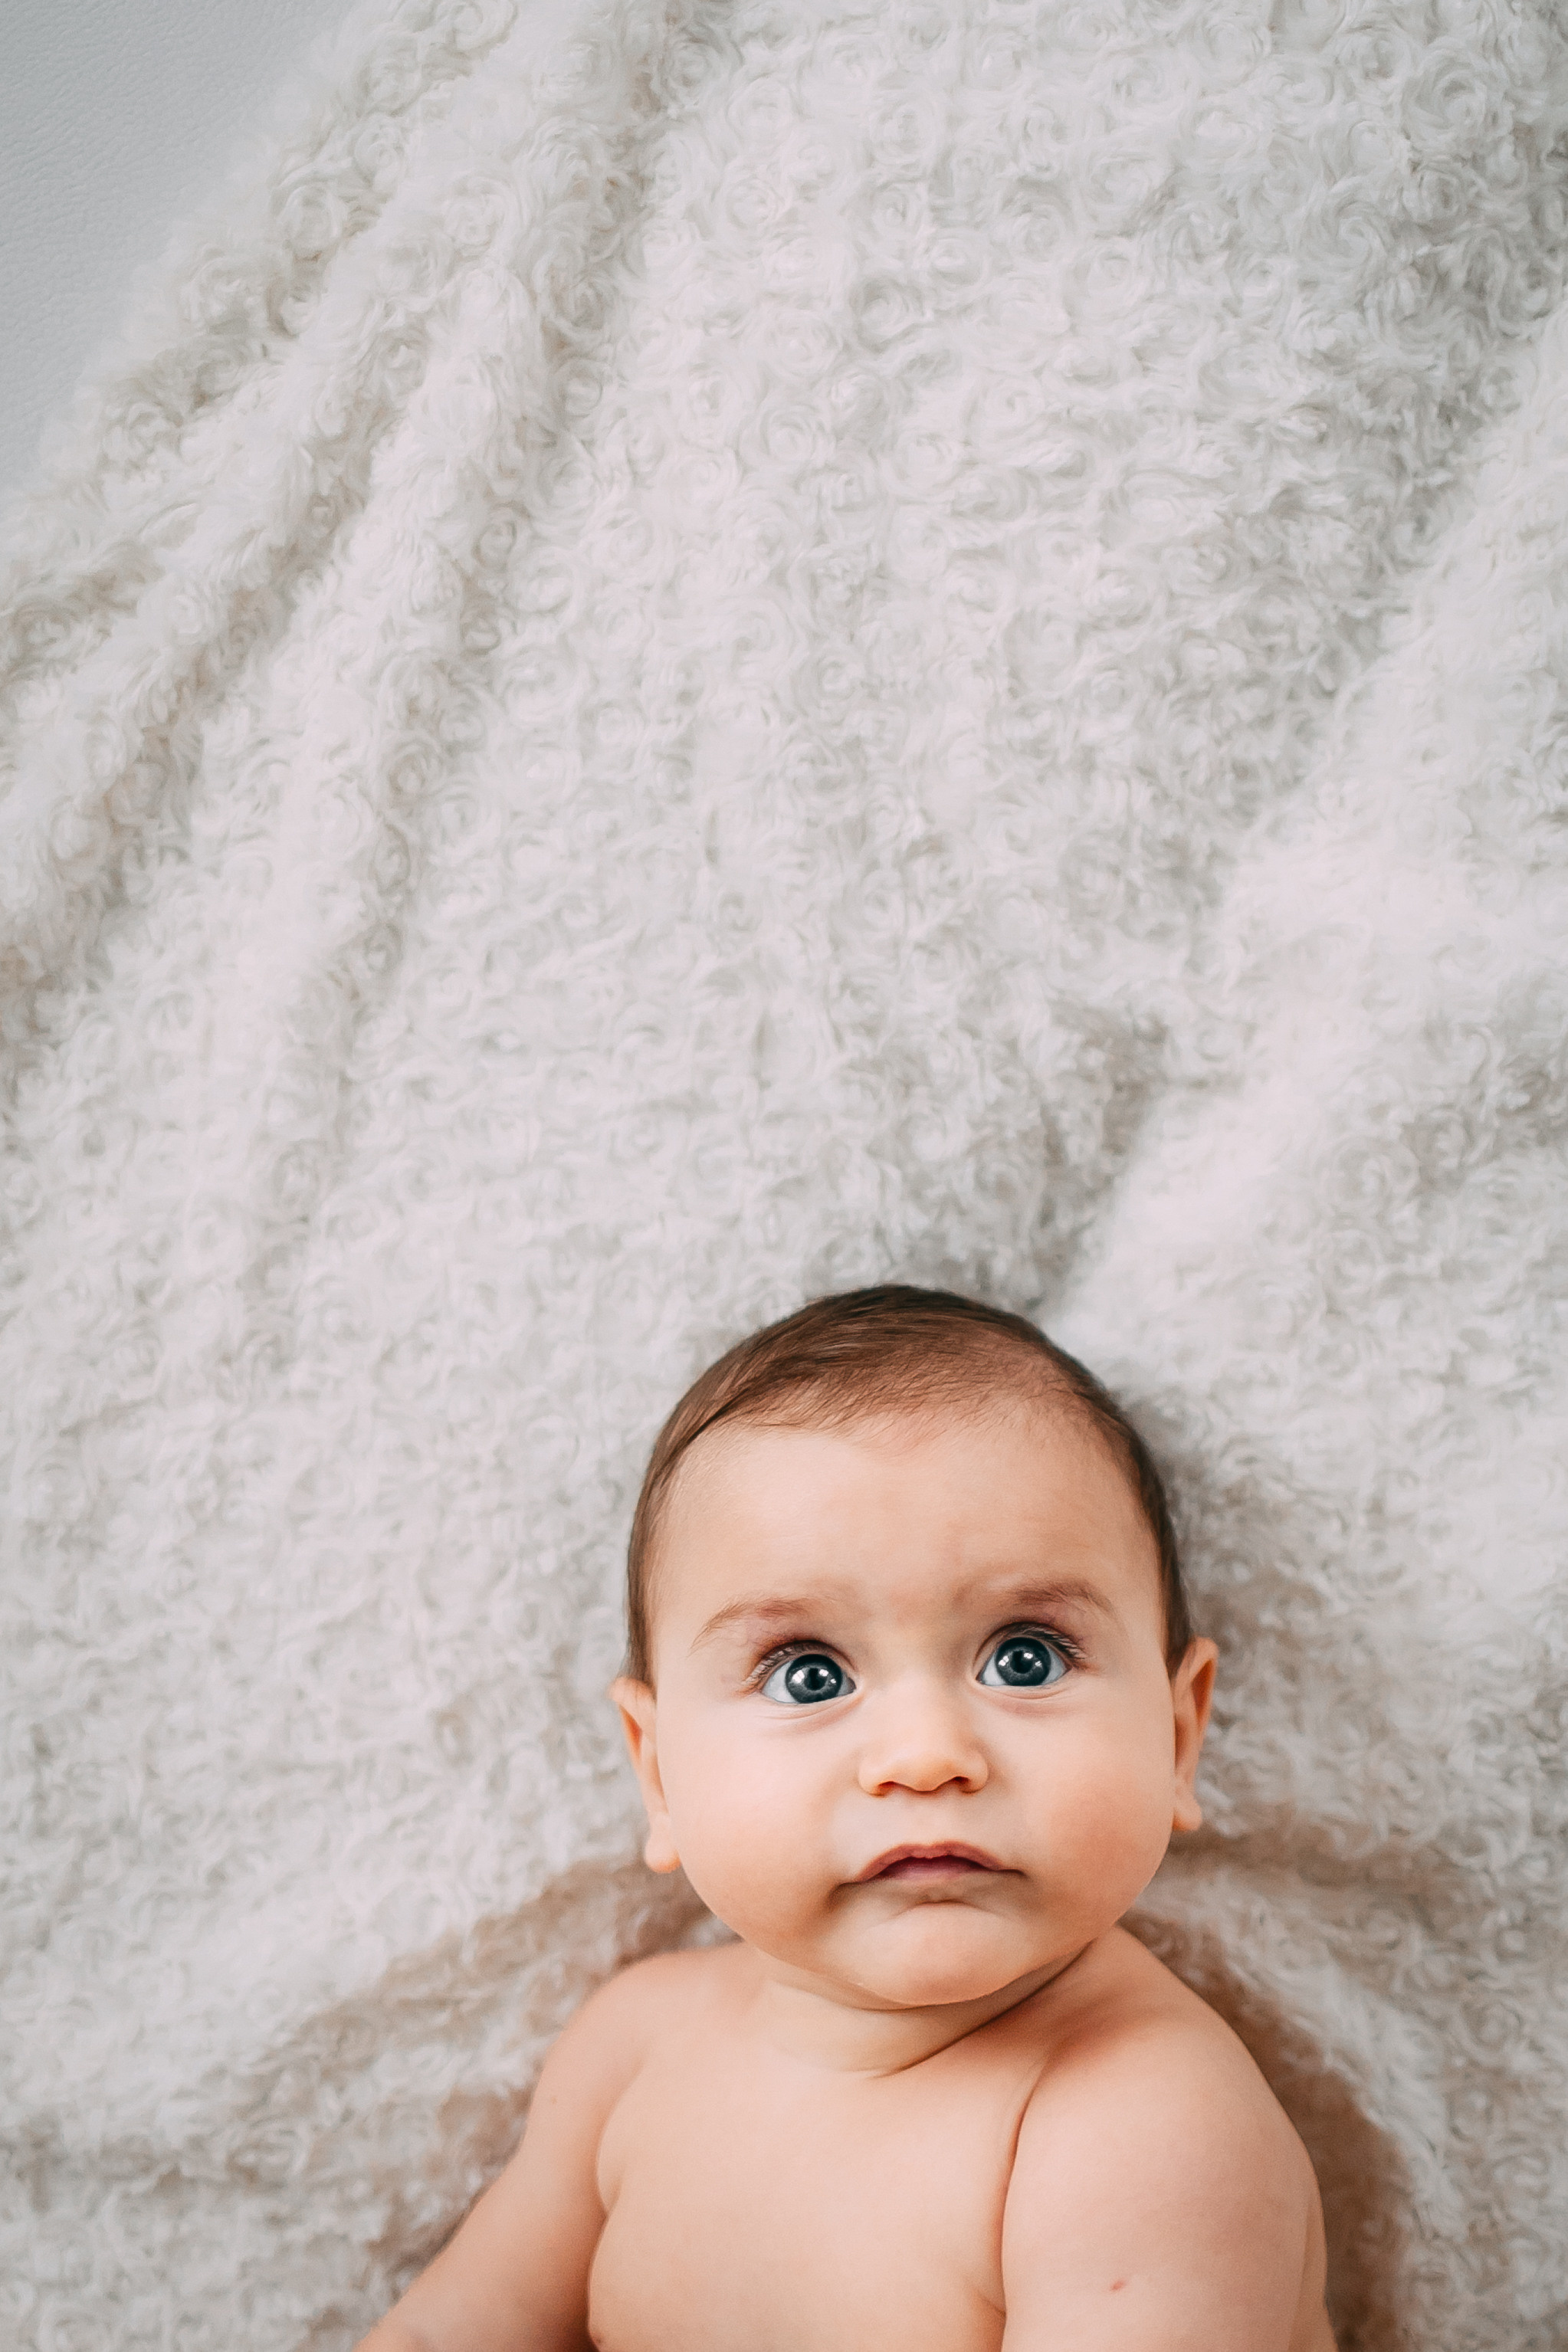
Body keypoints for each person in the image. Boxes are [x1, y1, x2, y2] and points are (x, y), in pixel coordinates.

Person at [357, 1285, 1336, 2351]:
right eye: (809, 1673)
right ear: (659, 1775)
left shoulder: (1139, 2125)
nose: (925, 1754)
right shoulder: (631, 2049)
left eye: (1025, 1656)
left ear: (1179, 1736)